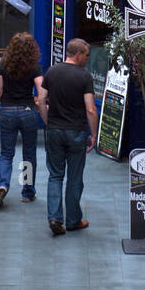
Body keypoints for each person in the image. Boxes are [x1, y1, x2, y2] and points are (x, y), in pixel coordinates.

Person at [37, 38, 99, 236]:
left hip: (54, 130)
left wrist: (48, 123)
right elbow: (90, 109)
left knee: (55, 175)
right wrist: (94, 135)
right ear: (78, 54)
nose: (88, 59)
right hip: (76, 132)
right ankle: (73, 220)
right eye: (87, 55)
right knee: (74, 177)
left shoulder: (52, 71)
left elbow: (41, 101)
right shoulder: (84, 77)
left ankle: (55, 218)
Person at [0, 32, 44, 208]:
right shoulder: (34, 67)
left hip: (8, 112)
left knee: (6, 153)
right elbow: (41, 92)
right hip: (28, 111)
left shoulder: (3, 65)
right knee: (29, 153)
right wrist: (43, 111)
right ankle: (27, 192)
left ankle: (2, 186)